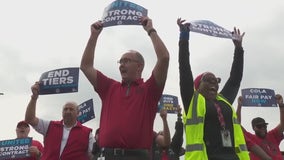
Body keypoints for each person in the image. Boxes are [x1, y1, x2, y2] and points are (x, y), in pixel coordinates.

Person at [80, 16, 170, 160]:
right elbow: (86, 66)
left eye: (126, 61)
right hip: (107, 156)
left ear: (139, 66)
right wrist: (93, 36)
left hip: (137, 157)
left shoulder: (150, 90)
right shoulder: (109, 87)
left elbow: (164, 58)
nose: (122, 65)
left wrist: (150, 30)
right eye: (120, 62)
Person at [177, 18, 249, 160]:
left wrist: (238, 49)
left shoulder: (224, 100)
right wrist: (184, 38)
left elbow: (235, 79)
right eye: (208, 80)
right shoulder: (192, 101)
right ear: (197, 86)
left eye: (216, 81)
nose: (214, 84)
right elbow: (184, 69)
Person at [24, 82, 95, 160]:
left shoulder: (87, 133)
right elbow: (29, 119)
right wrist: (34, 97)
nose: (68, 111)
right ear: (62, 112)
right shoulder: (50, 126)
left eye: (71, 109)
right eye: (65, 109)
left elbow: (93, 156)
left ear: (78, 113)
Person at [237, 95, 284, 160]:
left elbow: (282, 124)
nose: (262, 128)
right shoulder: (250, 138)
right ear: (253, 128)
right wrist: (239, 106)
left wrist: (281, 106)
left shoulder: (273, 135)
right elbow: (236, 125)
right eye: (259, 126)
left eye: (264, 125)